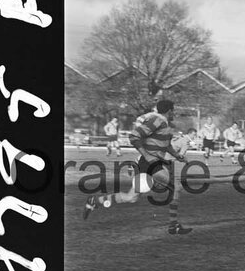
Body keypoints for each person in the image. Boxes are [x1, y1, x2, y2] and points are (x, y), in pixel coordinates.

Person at [82, 99, 192, 235]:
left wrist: (177, 155)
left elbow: (166, 145)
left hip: (151, 163)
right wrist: (147, 155)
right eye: (173, 110)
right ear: (169, 110)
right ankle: (173, 225)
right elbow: (134, 137)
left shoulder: (166, 125)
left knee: (131, 197)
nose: (173, 113)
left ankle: (95, 201)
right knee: (176, 187)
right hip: (150, 163)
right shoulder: (157, 120)